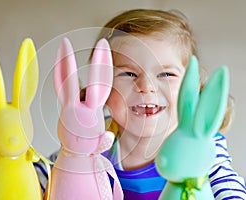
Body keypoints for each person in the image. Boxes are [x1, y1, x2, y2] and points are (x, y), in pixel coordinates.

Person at [35, 9, 246, 199]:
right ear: (101, 87)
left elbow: (229, 187)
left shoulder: (199, 144)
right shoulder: (96, 142)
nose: (146, 86)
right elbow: (49, 172)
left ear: (191, 89)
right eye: (129, 73)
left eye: (166, 74)